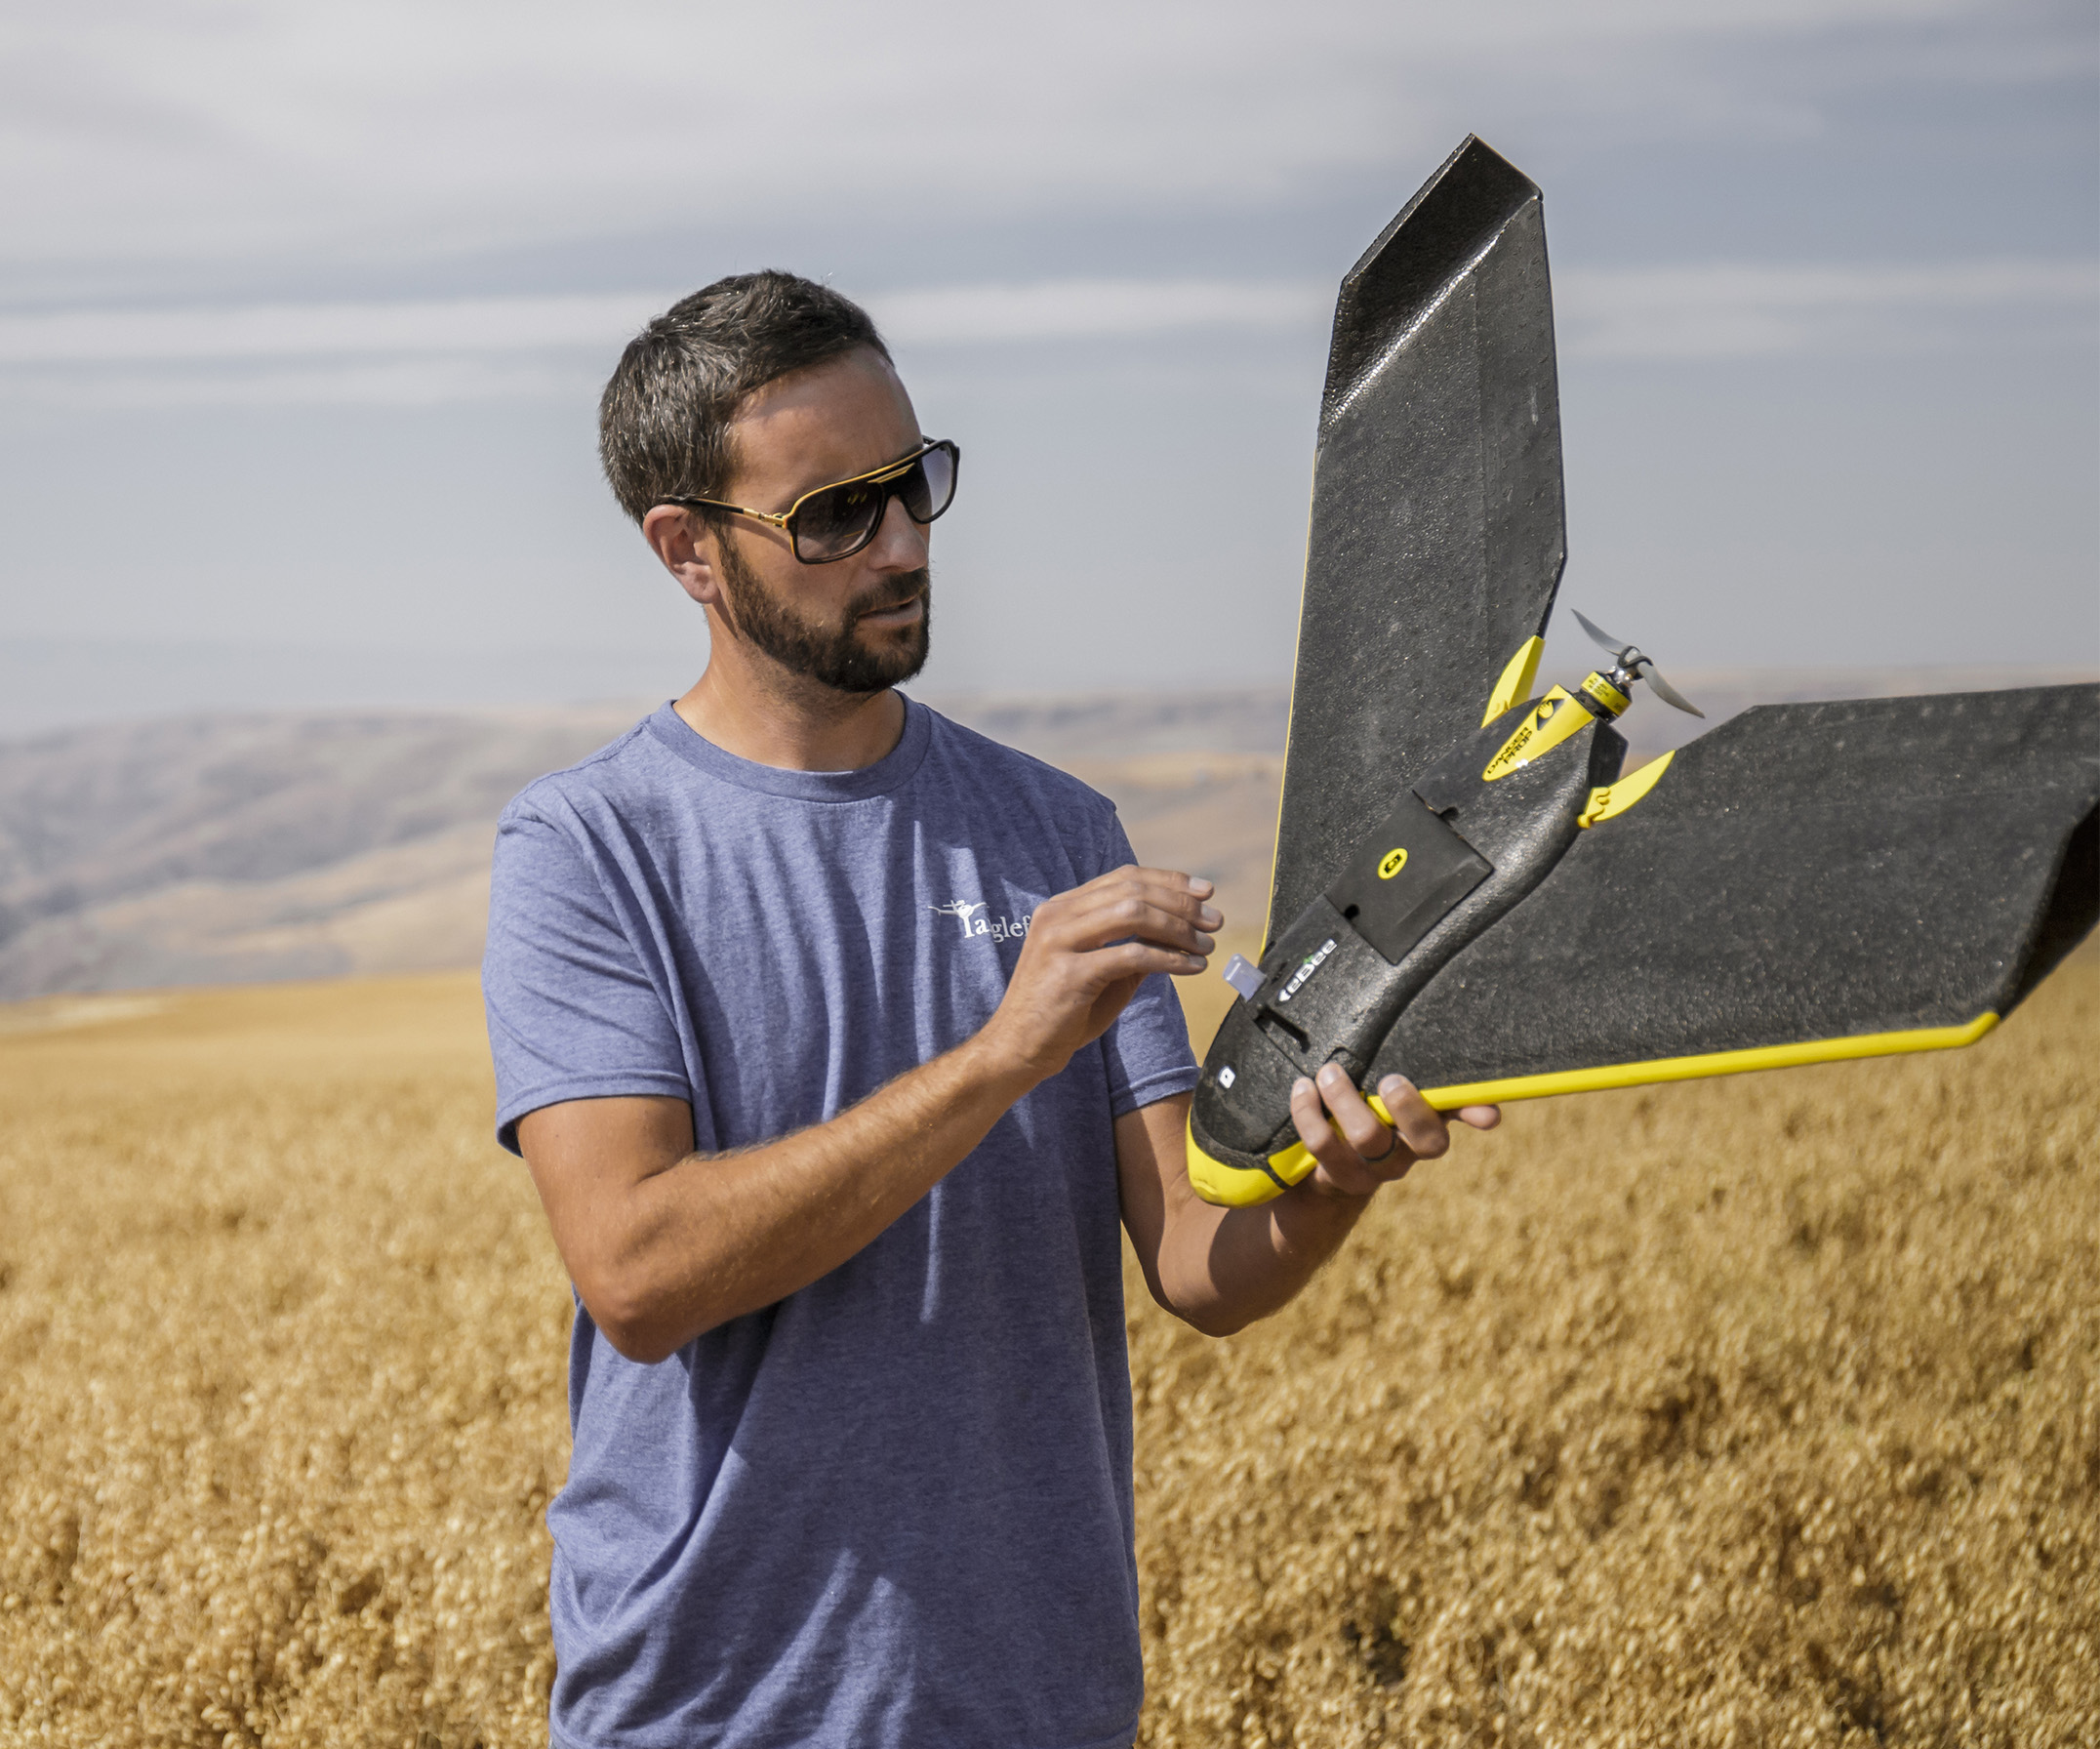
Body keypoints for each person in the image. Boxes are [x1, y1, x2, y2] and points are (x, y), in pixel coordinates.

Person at [481, 270, 1500, 1748]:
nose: (901, 544)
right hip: (711, 1712)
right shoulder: (590, 852)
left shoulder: (1055, 831)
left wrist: (1331, 1184)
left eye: (916, 484)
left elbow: (1200, 1264)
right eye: (835, 513)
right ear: (688, 550)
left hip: (1035, 1703)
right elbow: (640, 1276)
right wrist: (1006, 1052)